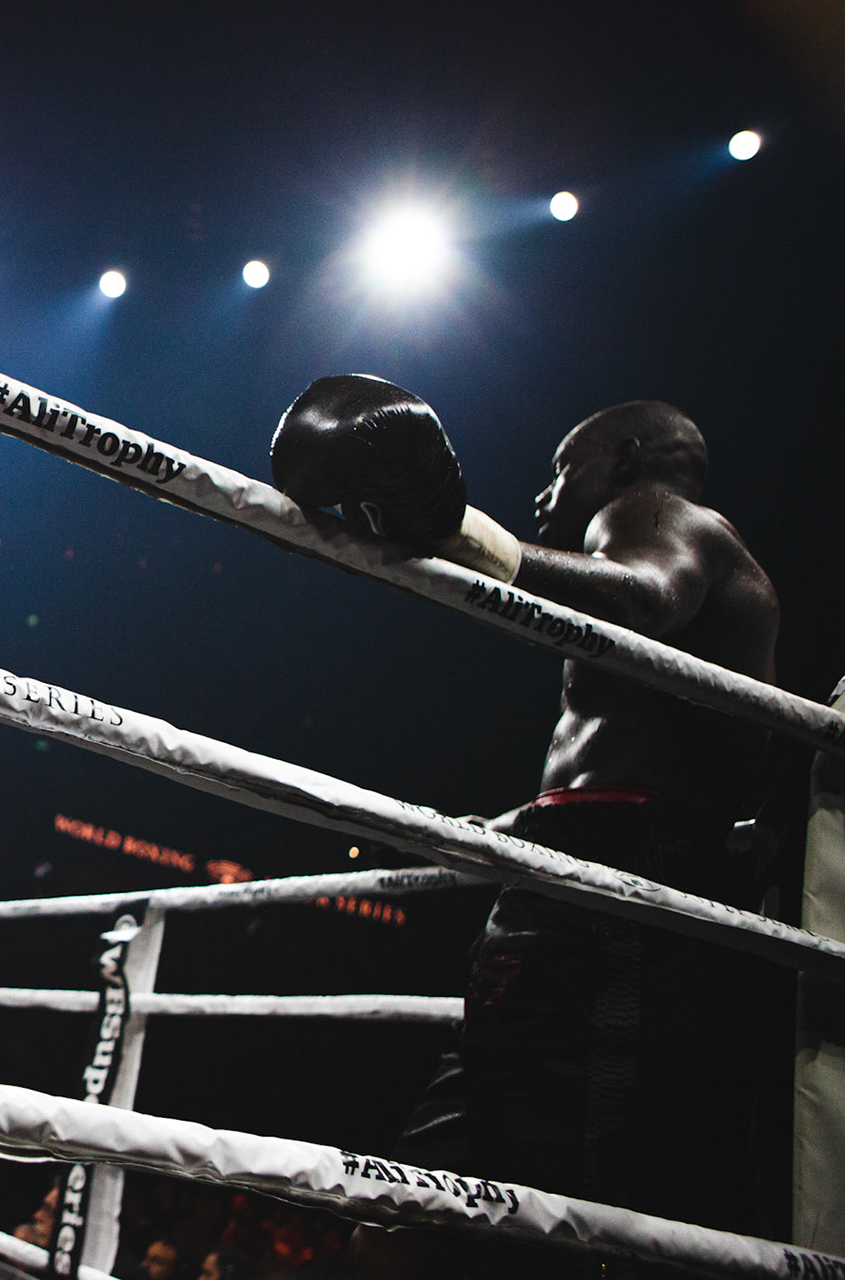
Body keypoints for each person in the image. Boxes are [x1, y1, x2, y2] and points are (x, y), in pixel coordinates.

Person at [272, 379, 782, 1270]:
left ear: (623, 460)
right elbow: (614, 774)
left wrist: (465, 535)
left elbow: (645, 599)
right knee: (410, 1215)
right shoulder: (649, 542)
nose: (545, 492)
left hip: (623, 894)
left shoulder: (659, 513)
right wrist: (485, 833)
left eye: (561, 467)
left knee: (579, 1212)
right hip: (572, 879)